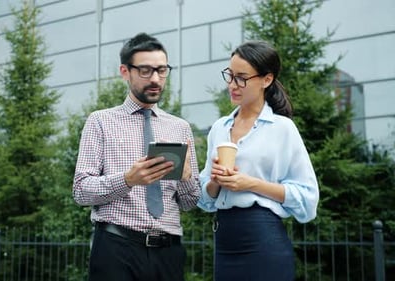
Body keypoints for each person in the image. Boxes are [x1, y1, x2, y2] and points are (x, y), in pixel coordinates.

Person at [73, 32, 201, 281]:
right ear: (125, 71)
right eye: (145, 70)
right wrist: (128, 180)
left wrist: (186, 178)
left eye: (162, 70)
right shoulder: (100, 121)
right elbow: (80, 190)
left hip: (169, 252)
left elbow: (190, 202)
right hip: (116, 247)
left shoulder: (180, 128)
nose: (155, 79)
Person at [198, 41, 319, 280]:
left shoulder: (282, 129)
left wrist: (250, 184)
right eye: (230, 76)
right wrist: (214, 183)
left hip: (264, 240)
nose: (233, 85)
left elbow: (308, 199)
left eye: (242, 77)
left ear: (266, 79)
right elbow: (203, 200)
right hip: (224, 241)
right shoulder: (219, 129)